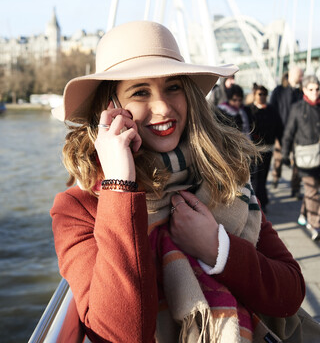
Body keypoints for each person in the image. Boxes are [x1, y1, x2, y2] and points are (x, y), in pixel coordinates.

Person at [50, 21, 305, 343]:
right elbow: (120, 333)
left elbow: (290, 293)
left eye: (173, 87)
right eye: (140, 92)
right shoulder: (79, 208)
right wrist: (119, 186)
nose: (163, 107)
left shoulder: (223, 175)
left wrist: (218, 248)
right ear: (111, 109)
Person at [281, 74, 320, 241]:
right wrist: (284, 154)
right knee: (312, 191)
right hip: (306, 159)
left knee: (313, 191)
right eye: (311, 89)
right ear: (304, 90)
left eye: (317, 89)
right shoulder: (297, 108)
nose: (315, 92)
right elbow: (288, 133)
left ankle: (304, 215)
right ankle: (315, 224)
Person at [246, 84, 283, 213]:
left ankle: (261, 202)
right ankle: (256, 202)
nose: (262, 97)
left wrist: (283, 145)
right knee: (254, 177)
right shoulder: (248, 110)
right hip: (253, 149)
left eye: (264, 94)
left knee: (263, 177)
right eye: (259, 94)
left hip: (267, 148)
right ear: (255, 95)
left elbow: (279, 128)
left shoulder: (272, 111)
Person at [270, 66, 303, 195]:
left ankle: (295, 188)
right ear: (291, 75)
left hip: (298, 133)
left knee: (298, 161)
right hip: (281, 131)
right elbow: (272, 109)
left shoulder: (302, 91)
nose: (301, 78)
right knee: (278, 158)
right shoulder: (279, 91)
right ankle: (275, 178)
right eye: (299, 75)